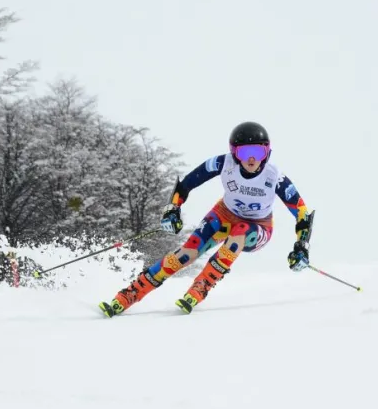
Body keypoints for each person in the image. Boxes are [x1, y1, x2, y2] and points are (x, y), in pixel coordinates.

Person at [100, 121, 314, 317]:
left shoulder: (275, 177)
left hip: (258, 227)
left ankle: (201, 287)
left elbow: (302, 212)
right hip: (224, 214)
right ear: (234, 153)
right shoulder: (222, 163)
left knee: (240, 230)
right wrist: (173, 209)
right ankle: (130, 293)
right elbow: (186, 184)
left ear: (267, 152)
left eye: (258, 152)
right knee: (187, 252)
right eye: (244, 152)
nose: (251, 159)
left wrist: (301, 246)